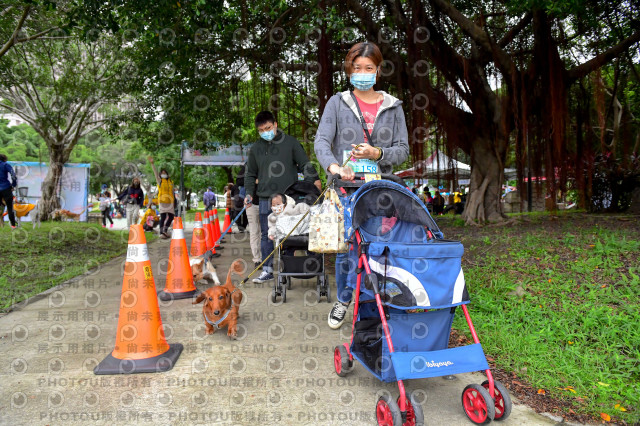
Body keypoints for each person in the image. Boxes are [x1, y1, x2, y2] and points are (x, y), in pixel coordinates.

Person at [313, 41, 409, 329]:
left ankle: (375, 304)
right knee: (348, 250)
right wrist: (334, 167)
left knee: (379, 247)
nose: (363, 73)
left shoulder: (393, 106)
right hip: (347, 190)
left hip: (381, 191)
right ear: (349, 70)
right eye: (357, 68)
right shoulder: (337, 102)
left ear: (378, 72)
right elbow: (321, 141)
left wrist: (376, 153)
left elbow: (403, 149)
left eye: (369, 68)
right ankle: (344, 299)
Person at [244, 110, 321, 284]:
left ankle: (304, 267)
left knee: (295, 233)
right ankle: (267, 270)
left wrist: (312, 184)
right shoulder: (256, 148)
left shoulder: (291, 142)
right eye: (262, 130)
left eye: (268, 128)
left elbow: (305, 164)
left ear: (276, 124)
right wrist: (249, 193)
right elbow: (250, 174)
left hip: (289, 199)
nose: (266, 132)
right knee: (266, 235)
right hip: (265, 199)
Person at [148, 156, 176, 238]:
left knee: (171, 217)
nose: (163, 174)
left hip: (170, 201)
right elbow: (155, 173)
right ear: (160, 174)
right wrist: (152, 164)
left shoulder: (171, 181)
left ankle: (165, 231)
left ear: (167, 174)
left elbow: (172, 192)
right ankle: (161, 232)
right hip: (162, 201)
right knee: (163, 216)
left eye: (165, 173)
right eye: (162, 173)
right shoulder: (159, 181)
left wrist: (174, 201)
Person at [245, 179, 262, 268]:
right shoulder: (248, 168)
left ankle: (266, 258)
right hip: (252, 205)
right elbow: (241, 181)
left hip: (267, 203)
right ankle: (257, 259)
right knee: (254, 232)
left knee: (266, 233)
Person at [0, 153, 17, 228]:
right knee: (10, 207)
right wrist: (13, 184)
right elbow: (13, 175)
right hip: (6, 188)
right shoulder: (5, 165)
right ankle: (13, 225)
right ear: (4, 159)